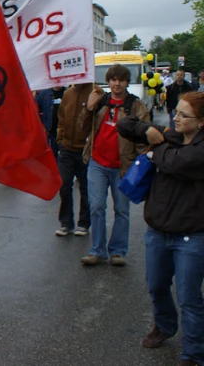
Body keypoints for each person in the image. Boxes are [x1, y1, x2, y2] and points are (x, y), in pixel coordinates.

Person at [117, 92, 204, 366]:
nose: (175, 117)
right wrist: (147, 130)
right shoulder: (172, 136)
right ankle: (165, 326)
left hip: (192, 234)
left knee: (189, 298)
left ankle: (193, 352)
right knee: (156, 286)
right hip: (157, 231)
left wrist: (155, 149)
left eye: (183, 115)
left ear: (201, 122)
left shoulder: (198, 148)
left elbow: (179, 162)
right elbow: (124, 125)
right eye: (176, 112)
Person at [79, 64, 150, 266]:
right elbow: (82, 128)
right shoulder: (100, 101)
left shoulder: (135, 105)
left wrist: (140, 162)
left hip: (123, 166)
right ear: (108, 81)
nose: (117, 84)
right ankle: (97, 250)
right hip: (97, 162)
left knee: (122, 210)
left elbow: (144, 134)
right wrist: (88, 108)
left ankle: (118, 251)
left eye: (121, 80)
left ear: (127, 82)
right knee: (97, 207)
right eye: (113, 80)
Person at [54, 83, 91, 237]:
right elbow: (61, 118)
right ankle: (66, 223)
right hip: (66, 148)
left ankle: (83, 223)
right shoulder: (68, 93)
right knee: (64, 184)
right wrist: (60, 139)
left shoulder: (95, 92)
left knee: (85, 188)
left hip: (85, 149)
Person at [36, 86, 66, 158]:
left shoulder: (68, 93)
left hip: (64, 132)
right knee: (51, 155)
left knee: (63, 156)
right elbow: (35, 110)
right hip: (49, 132)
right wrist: (42, 126)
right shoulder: (44, 94)